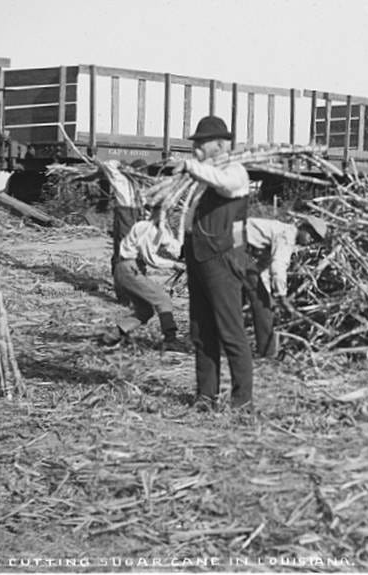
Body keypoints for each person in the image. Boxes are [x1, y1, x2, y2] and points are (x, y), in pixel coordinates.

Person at [167, 116, 253, 412]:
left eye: (199, 145)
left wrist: (192, 167)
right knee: (201, 330)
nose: (195, 150)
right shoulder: (206, 175)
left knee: (231, 331)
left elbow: (227, 186)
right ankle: (206, 396)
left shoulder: (234, 171)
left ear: (219, 144)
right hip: (199, 258)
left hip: (223, 259)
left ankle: (242, 402)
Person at [100, 206, 187, 352]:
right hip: (129, 269)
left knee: (144, 312)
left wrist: (185, 254)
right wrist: (174, 264)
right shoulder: (145, 228)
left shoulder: (158, 229)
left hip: (130, 270)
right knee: (162, 299)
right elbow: (151, 258)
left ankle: (111, 336)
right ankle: (170, 340)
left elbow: (171, 246)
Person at [245, 215, 328, 358]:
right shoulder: (286, 236)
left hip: (234, 242)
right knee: (261, 305)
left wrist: (269, 294)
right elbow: (278, 268)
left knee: (255, 299)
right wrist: (282, 298)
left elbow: (264, 269)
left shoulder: (281, 234)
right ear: (303, 228)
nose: (311, 240)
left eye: (315, 239)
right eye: (311, 235)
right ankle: (267, 352)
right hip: (233, 242)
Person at [99, 159, 147, 304]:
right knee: (123, 258)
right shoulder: (122, 182)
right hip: (125, 220)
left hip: (138, 222)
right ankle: (124, 297)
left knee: (140, 258)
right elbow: (107, 164)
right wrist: (120, 163)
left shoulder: (143, 187)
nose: (141, 176)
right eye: (139, 172)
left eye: (143, 173)